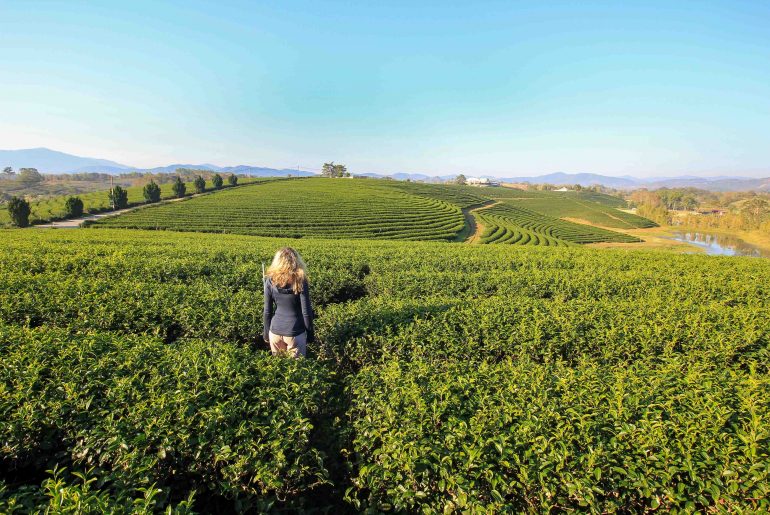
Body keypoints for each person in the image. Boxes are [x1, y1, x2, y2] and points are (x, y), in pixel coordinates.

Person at [263, 247, 314, 358]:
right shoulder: (300, 280)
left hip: (275, 332)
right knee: (297, 371)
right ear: (296, 261)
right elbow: (306, 311)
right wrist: (310, 335)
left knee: (280, 370)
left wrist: (266, 334)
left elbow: (267, 311)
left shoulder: (270, 280)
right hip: (295, 333)